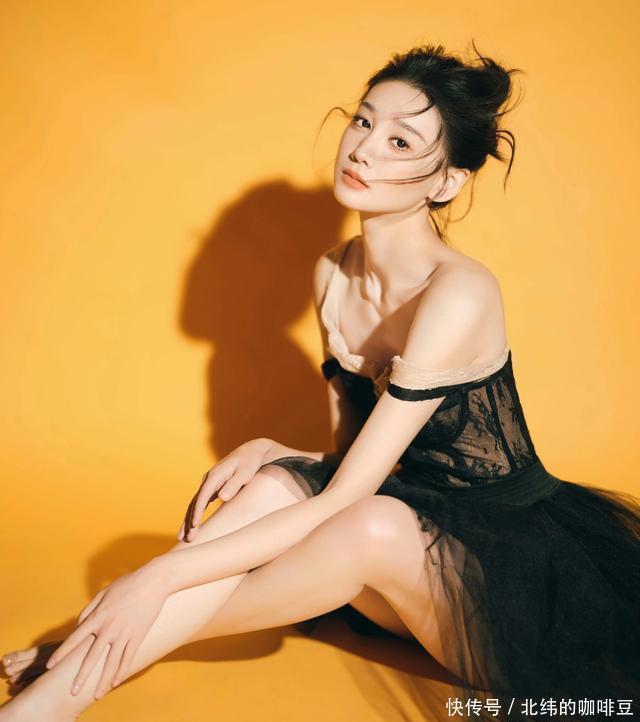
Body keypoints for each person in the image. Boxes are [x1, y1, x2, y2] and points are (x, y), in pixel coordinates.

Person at [2, 43, 639, 722]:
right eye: (363, 121)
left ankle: (82, 658)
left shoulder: (459, 292)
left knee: (368, 525)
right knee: (274, 484)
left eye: (400, 142)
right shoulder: (334, 275)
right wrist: (278, 452)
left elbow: (351, 497)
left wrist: (157, 575)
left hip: (506, 587)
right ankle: (69, 682)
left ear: (446, 183)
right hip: (396, 557)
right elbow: (353, 464)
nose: (363, 149)